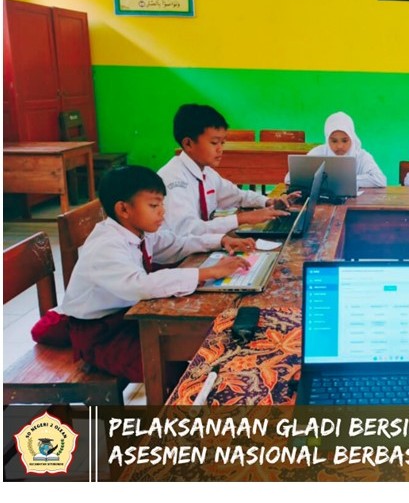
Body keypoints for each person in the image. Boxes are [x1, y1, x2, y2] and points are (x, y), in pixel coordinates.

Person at [30, 166, 252, 383]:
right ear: (124, 209)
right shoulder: (106, 245)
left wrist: (220, 240)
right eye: (154, 205)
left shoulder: (138, 231)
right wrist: (207, 272)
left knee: (203, 342)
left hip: (126, 316)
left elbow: (176, 244)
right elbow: (140, 285)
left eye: (162, 204)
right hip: (99, 333)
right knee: (172, 368)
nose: (162, 212)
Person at [159, 103, 299, 236]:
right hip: (181, 252)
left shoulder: (207, 173)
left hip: (199, 245)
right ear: (188, 143)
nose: (220, 149)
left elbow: (238, 195)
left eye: (222, 142)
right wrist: (242, 218)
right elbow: (187, 231)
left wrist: (268, 202)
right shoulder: (173, 180)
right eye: (214, 142)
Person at [285, 111, 386, 188]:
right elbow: (289, 179)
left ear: (352, 138)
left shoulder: (361, 156)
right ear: (327, 139)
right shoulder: (317, 153)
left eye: (345, 140)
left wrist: (341, 180)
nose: (340, 146)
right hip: (322, 204)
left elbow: (380, 180)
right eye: (334, 141)